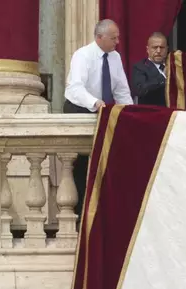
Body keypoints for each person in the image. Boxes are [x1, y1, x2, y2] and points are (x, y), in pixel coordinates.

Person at [63, 19, 133, 220]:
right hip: (80, 109)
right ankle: (79, 214)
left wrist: (129, 112)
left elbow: (121, 90)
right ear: (99, 37)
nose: (117, 41)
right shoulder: (82, 55)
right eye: (113, 38)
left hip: (103, 111)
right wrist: (95, 103)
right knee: (82, 163)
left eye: (118, 37)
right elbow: (75, 88)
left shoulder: (115, 57)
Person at [132, 32, 168, 106]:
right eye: (155, 47)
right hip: (150, 114)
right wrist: (163, 76)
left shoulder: (173, 66)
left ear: (167, 49)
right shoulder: (140, 67)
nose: (158, 51)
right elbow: (141, 90)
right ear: (148, 49)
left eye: (162, 47)